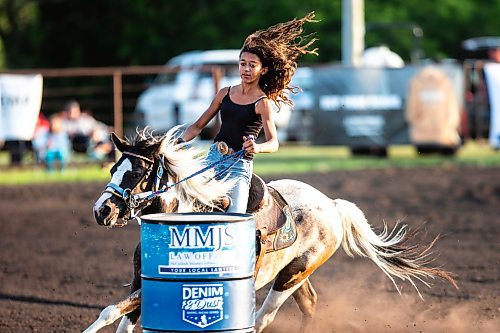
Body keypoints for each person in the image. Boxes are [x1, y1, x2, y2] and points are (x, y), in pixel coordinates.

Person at [181, 12, 318, 213]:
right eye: (242, 63)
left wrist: (257, 148)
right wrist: (177, 143)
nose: (246, 69)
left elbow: (274, 143)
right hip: (211, 160)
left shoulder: (262, 103)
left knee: (235, 219)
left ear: (263, 70)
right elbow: (197, 126)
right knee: (185, 204)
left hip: (238, 167)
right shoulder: (224, 93)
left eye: (252, 65)